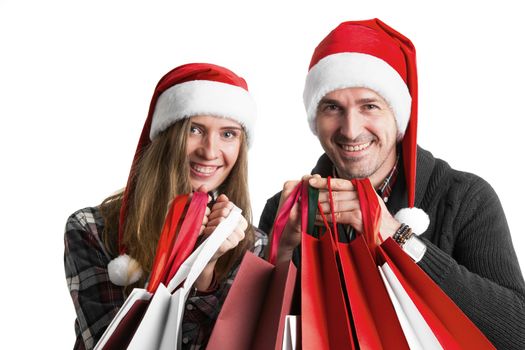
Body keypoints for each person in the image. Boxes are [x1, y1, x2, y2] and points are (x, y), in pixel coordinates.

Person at [259, 18, 525, 349]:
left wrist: (397, 237)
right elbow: (258, 336)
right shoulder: (286, 209)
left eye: (369, 106)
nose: (351, 129)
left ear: (398, 117)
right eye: (333, 108)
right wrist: (280, 252)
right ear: (315, 119)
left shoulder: (465, 198)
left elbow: (517, 333)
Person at [64, 63, 267, 349]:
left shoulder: (251, 244)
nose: (209, 151)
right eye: (195, 129)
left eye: (228, 134)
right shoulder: (91, 229)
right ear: (167, 136)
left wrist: (207, 265)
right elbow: (112, 343)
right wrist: (192, 262)